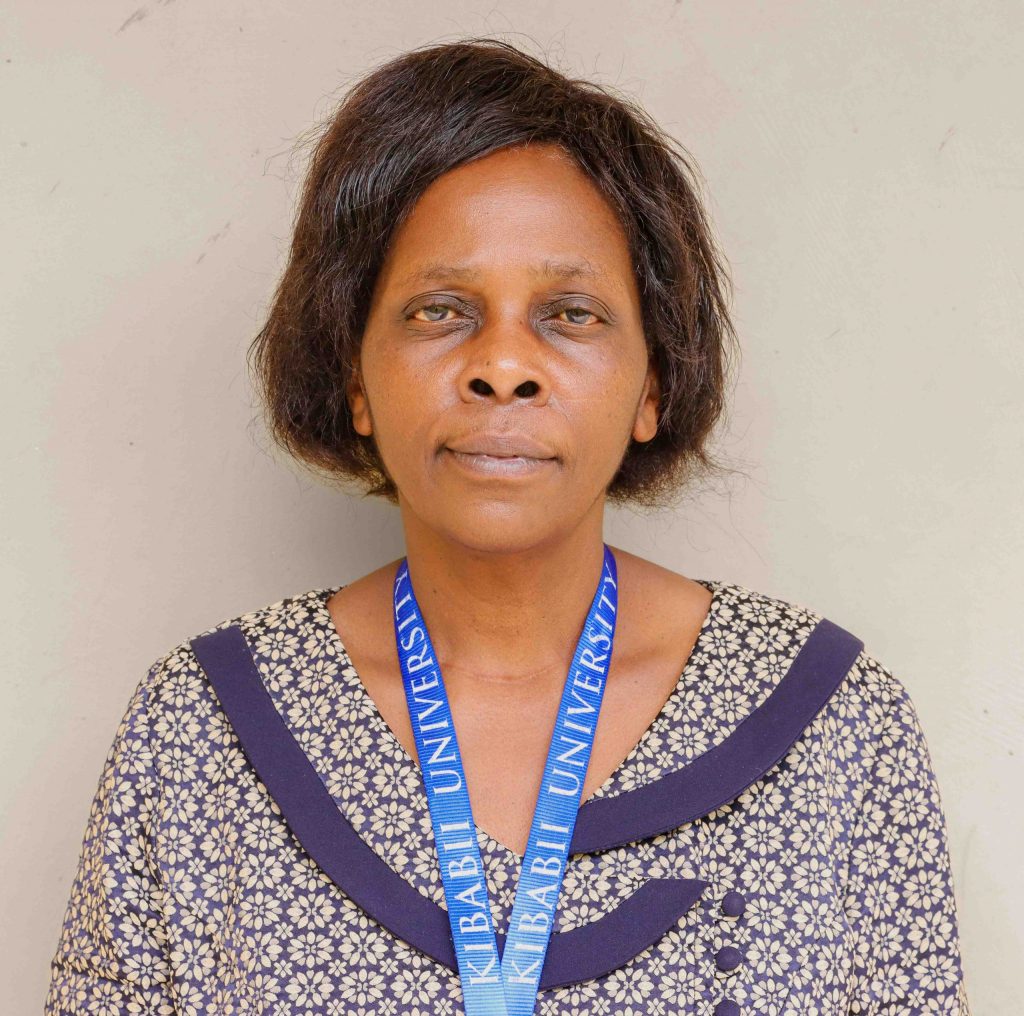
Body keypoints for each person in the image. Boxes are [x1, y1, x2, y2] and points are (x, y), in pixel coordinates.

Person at [45, 37, 971, 1016]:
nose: (502, 366)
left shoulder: (832, 723)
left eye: (570, 314)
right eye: (440, 310)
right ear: (355, 375)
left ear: (652, 384)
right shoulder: (202, 731)